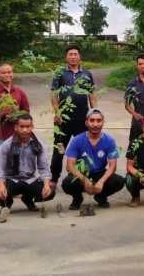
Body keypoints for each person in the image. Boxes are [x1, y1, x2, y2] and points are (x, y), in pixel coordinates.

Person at [0, 113, 54, 223]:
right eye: (22, 127)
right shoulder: (6, 145)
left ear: (32, 127)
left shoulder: (37, 145)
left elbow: (43, 167)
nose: (25, 130)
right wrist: (1, 186)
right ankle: (6, 203)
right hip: (12, 179)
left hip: (29, 179)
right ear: (16, 127)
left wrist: (46, 185)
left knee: (51, 191)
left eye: (28, 127)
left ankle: (28, 199)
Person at [61, 108, 125, 210]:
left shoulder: (110, 140)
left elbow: (112, 166)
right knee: (67, 183)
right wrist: (84, 180)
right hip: (82, 172)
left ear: (103, 122)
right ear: (86, 122)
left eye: (99, 121)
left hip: (99, 173)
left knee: (119, 181)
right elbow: (70, 166)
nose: (95, 124)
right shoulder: (77, 140)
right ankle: (77, 198)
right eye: (92, 120)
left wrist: (101, 182)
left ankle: (101, 196)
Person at [51, 45, 97, 184]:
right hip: (63, 120)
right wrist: (57, 112)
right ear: (66, 57)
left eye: (75, 54)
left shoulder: (87, 74)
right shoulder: (59, 73)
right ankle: (54, 179)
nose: (73, 56)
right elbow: (54, 95)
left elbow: (92, 95)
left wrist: (95, 113)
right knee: (59, 149)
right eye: (70, 54)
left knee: (83, 149)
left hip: (82, 119)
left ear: (80, 56)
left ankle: (80, 177)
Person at [0, 63, 30, 166]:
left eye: (9, 72)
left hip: (18, 135)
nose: (7, 74)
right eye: (4, 72)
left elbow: (26, 112)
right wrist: (0, 114)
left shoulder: (19, 92)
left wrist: (17, 115)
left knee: (16, 165)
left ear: (13, 74)